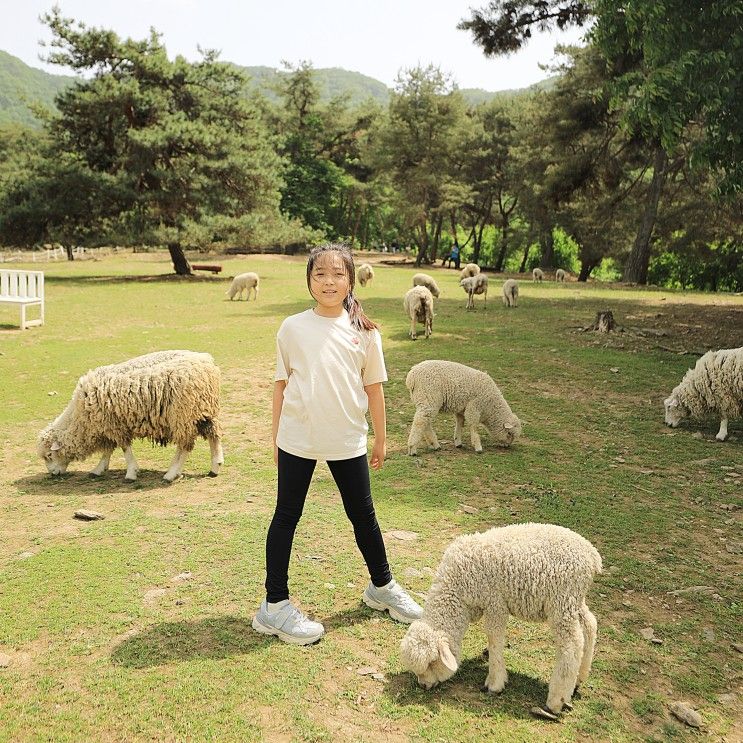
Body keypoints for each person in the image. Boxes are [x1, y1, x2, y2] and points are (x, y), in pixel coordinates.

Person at [252, 243, 423, 645]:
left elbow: (374, 390)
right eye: (320, 274)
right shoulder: (292, 327)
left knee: (363, 515)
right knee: (286, 516)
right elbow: (281, 385)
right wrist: (276, 436)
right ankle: (274, 606)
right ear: (309, 280)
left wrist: (381, 438)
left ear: (351, 279)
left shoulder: (364, 332)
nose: (329, 281)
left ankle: (382, 587)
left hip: (348, 439)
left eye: (338, 274)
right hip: (298, 438)